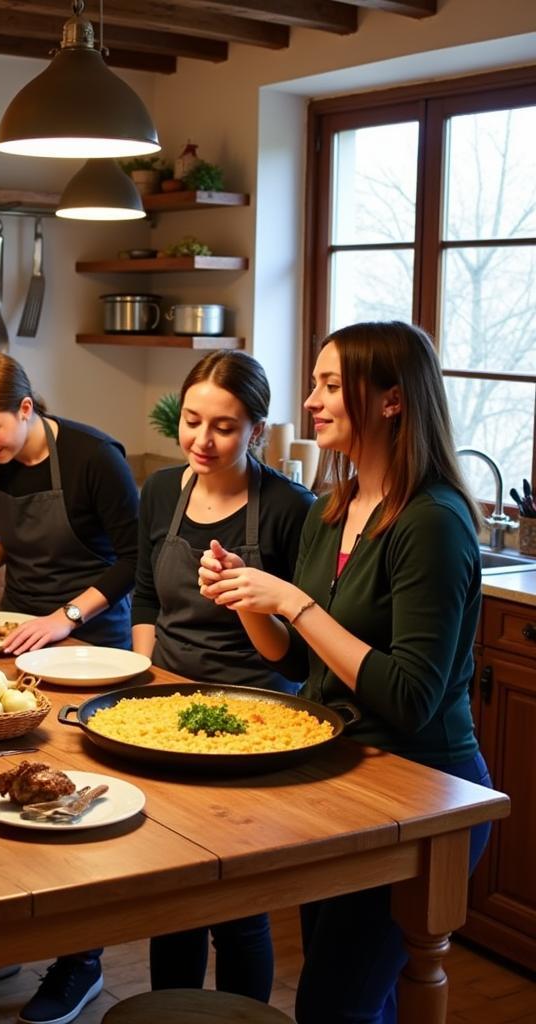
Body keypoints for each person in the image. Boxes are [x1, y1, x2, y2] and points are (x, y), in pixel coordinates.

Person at [198, 321, 492, 1024]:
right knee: (354, 1000)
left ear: (391, 400)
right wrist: (247, 596)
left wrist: (293, 602)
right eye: (315, 384)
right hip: (346, 782)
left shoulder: (433, 522)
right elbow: (298, 660)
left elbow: (411, 697)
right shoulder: (335, 509)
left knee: (336, 1004)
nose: (310, 402)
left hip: (423, 791)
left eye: (330, 385)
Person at [0, 351, 139, 1024]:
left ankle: (79, 963)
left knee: (68, 811)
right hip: (23, 638)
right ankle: (1, 944)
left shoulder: (94, 457)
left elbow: (135, 560)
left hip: (91, 644)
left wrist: (66, 618)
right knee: (3, 794)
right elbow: (1, 535)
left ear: (27, 409)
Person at [132, 350, 313, 1001]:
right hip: (163, 713)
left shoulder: (293, 510)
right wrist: (146, 686)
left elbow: (294, 656)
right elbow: (145, 598)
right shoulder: (160, 491)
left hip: (256, 722)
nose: (202, 440)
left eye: (225, 426)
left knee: (239, 905)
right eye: (192, 420)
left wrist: (245, 598)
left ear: (258, 431)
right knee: (171, 898)